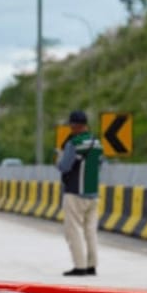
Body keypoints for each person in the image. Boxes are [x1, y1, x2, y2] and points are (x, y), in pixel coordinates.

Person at [57, 110, 103, 277]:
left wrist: (59, 158)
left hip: (75, 192)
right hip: (93, 193)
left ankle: (80, 266)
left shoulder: (74, 143)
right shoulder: (97, 143)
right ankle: (92, 265)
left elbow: (64, 166)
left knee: (73, 230)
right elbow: (99, 164)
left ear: (75, 125)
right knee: (90, 231)